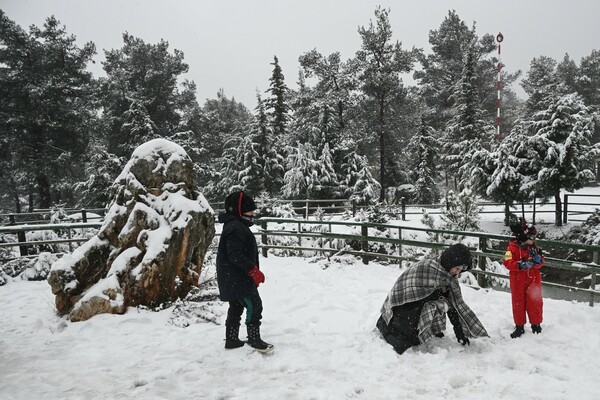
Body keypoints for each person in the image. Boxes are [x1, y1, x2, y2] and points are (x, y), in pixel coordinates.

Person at [376, 243, 488, 355]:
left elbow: (454, 305)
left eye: (460, 270)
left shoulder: (446, 276)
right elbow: (415, 296)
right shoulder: (429, 268)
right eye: (456, 268)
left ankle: (420, 331)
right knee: (436, 306)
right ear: (450, 262)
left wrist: (460, 333)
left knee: (443, 303)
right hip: (402, 307)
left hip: (413, 307)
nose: (457, 272)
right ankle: (409, 334)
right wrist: (437, 293)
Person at [216, 190, 273, 352]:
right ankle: (254, 338)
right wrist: (253, 270)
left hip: (233, 276)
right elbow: (235, 254)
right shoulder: (236, 228)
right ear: (238, 210)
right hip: (238, 278)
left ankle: (232, 339)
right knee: (254, 305)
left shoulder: (235, 225)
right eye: (249, 210)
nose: (252, 213)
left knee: (236, 306)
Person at [503, 219, 544, 338]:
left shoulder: (535, 247)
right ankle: (519, 326)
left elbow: (542, 262)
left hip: (533, 279)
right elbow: (507, 262)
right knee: (518, 302)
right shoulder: (511, 248)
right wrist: (519, 265)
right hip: (517, 279)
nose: (533, 239)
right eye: (530, 237)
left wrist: (538, 261)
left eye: (533, 237)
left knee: (535, 302)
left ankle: (536, 324)